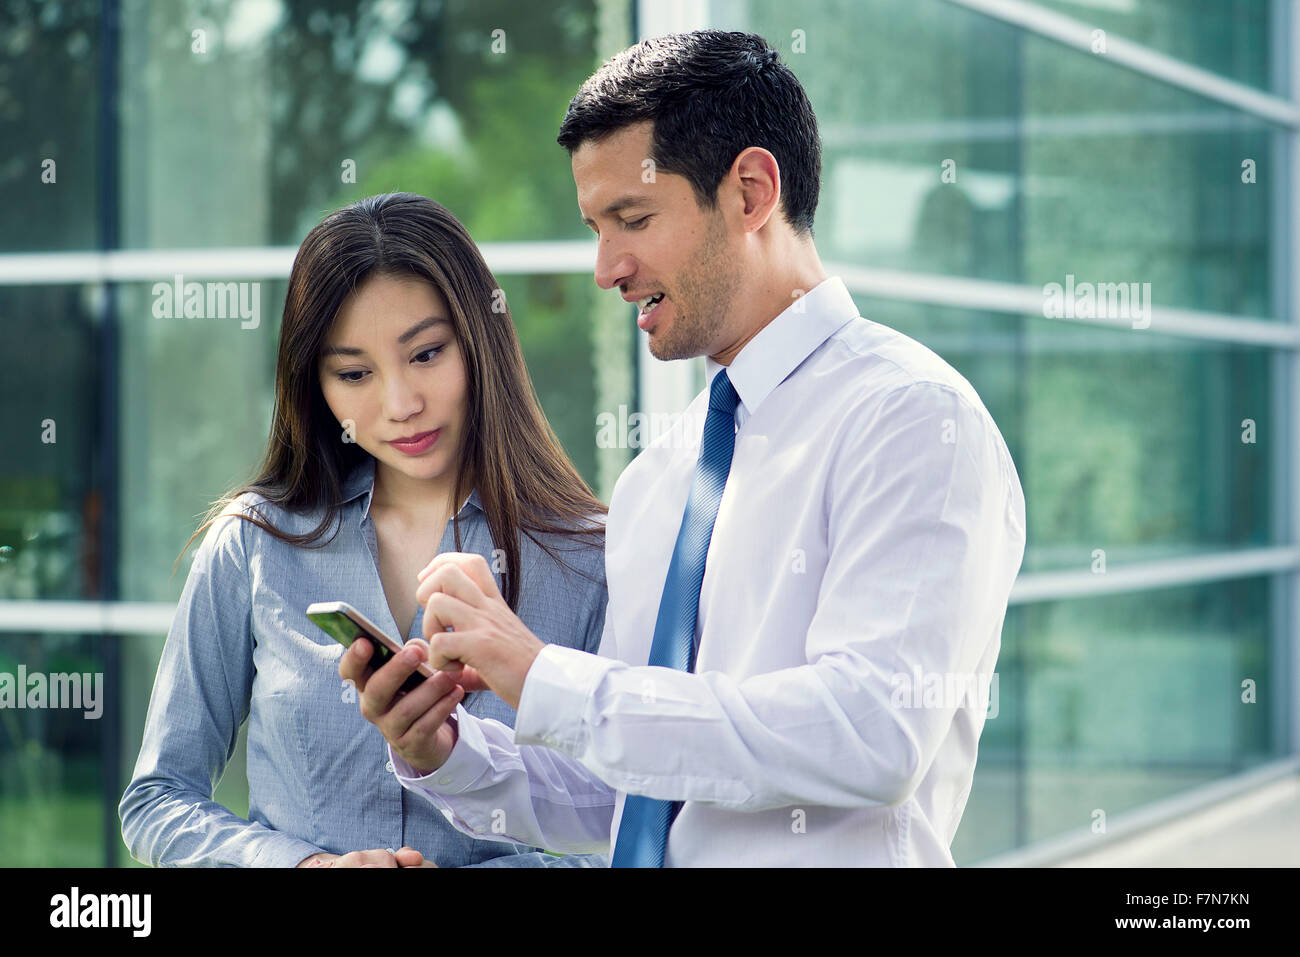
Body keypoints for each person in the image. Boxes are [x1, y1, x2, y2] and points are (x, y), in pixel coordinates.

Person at [342, 31, 1026, 867]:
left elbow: (874, 731)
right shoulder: (658, 475)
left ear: (749, 191)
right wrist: (446, 753)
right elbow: (633, 793)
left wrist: (545, 675)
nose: (606, 268)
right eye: (596, 227)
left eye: (632, 218)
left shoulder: (912, 419)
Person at [120, 193, 609, 868]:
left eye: (427, 353)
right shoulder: (255, 545)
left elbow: (628, 824)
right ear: (314, 385)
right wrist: (301, 867)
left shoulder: (590, 558)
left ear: (481, 341)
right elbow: (157, 797)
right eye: (354, 373)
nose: (401, 404)